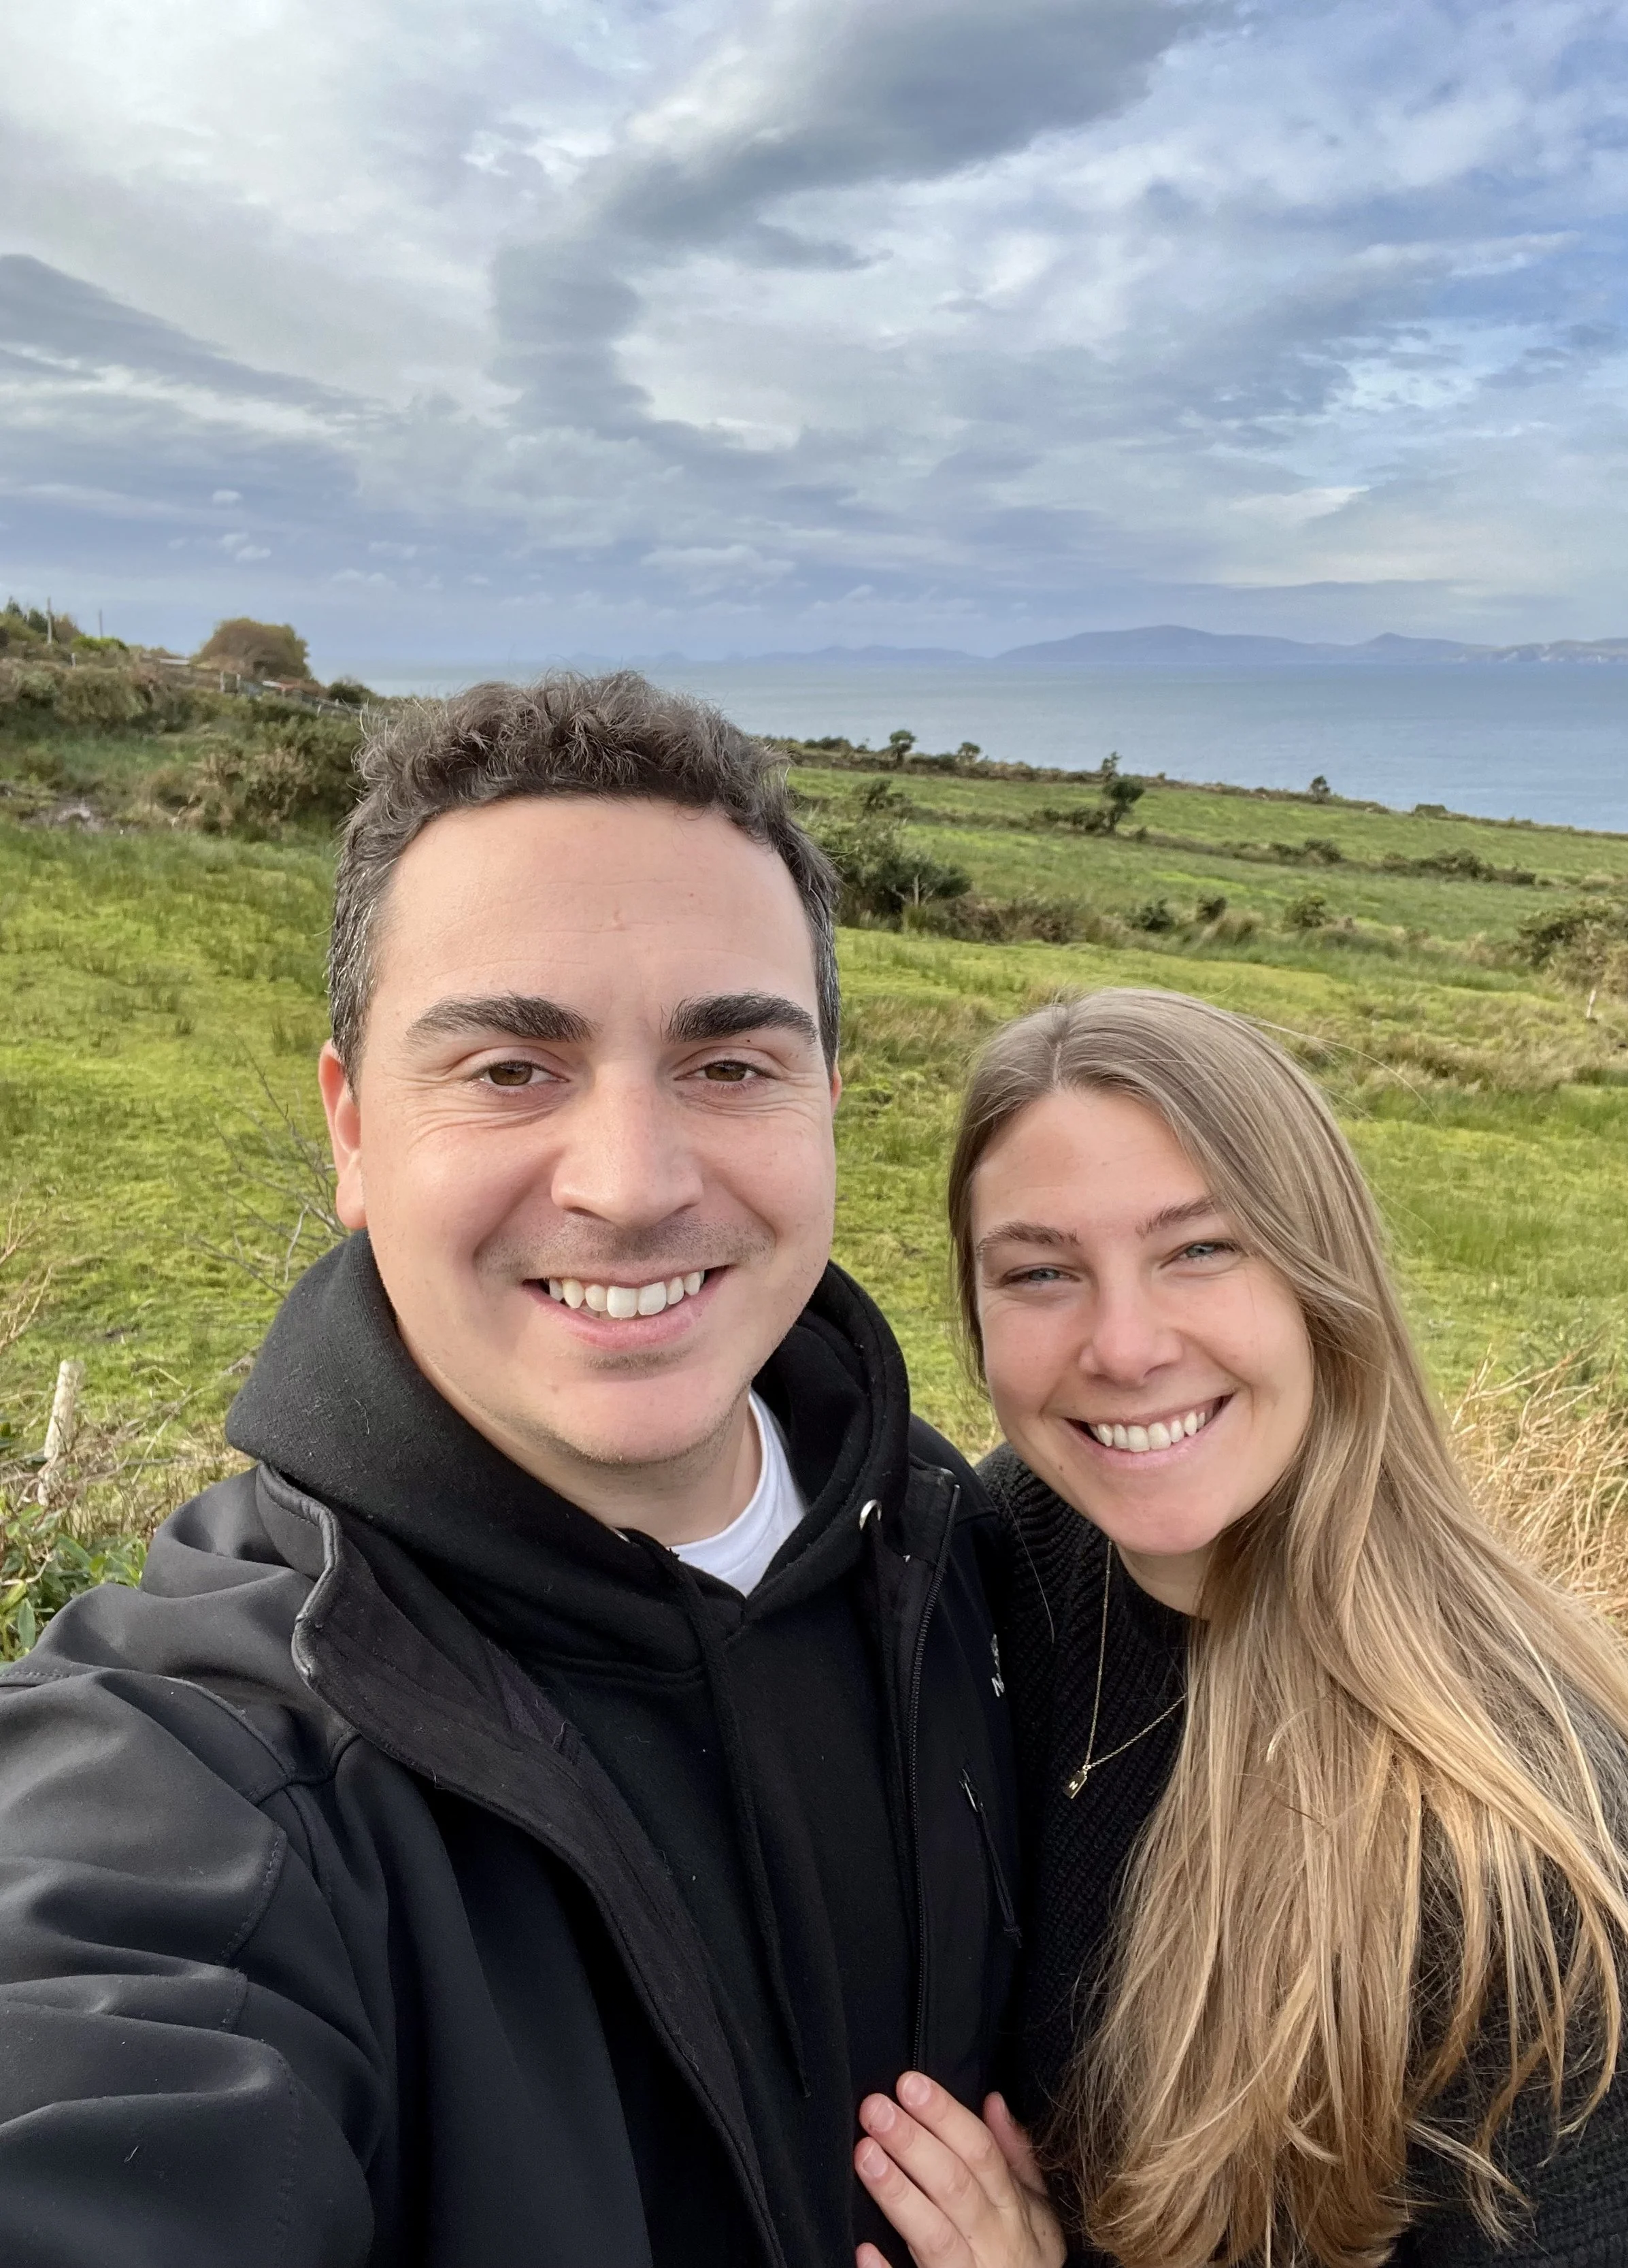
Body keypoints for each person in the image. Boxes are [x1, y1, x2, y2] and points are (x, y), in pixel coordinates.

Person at [0, 672, 1022, 2268]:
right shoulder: (207, 1774)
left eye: (729, 1065)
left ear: (829, 1097)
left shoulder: (983, 1570)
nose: (629, 1183)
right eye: (507, 1068)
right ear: (348, 1129)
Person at [850, 986, 1628, 2268]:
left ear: (1326, 1277)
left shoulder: (1524, 1864)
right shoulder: (1012, 1546)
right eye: (1040, 1272)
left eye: (1202, 1249)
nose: (1124, 1347)